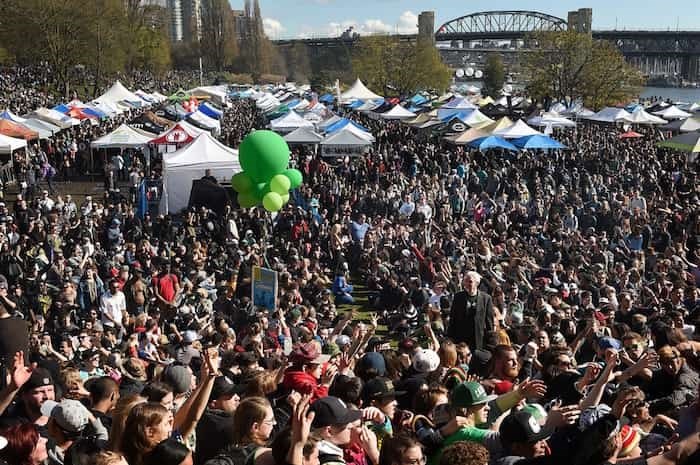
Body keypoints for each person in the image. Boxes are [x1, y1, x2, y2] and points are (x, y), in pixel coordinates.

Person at [194, 376, 242, 465]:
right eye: (230, 396)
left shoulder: (205, 414)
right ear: (214, 403)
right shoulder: (224, 425)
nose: (237, 398)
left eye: (236, 393)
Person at [447, 272, 494, 352]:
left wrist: (490, 340)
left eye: (470, 281)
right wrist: (450, 336)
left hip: (478, 338)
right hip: (461, 337)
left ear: (477, 283)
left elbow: (489, 321)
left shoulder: (486, 298)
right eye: (465, 281)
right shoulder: (458, 297)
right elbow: (453, 317)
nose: (468, 284)